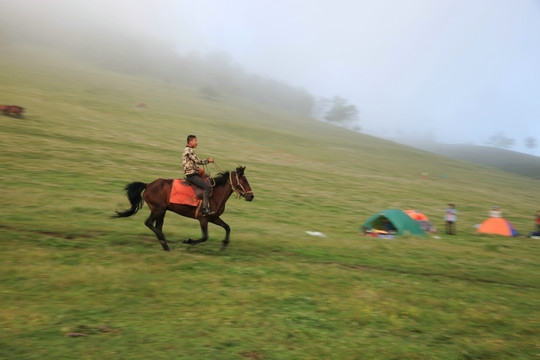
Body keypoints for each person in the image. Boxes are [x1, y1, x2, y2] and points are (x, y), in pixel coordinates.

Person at [182, 135, 215, 216]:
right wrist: (208, 161)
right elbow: (198, 161)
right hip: (191, 176)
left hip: (193, 173)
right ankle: (205, 209)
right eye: (195, 141)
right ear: (190, 142)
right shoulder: (189, 150)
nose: (197, 143)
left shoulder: (188, 150)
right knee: (207, 187)